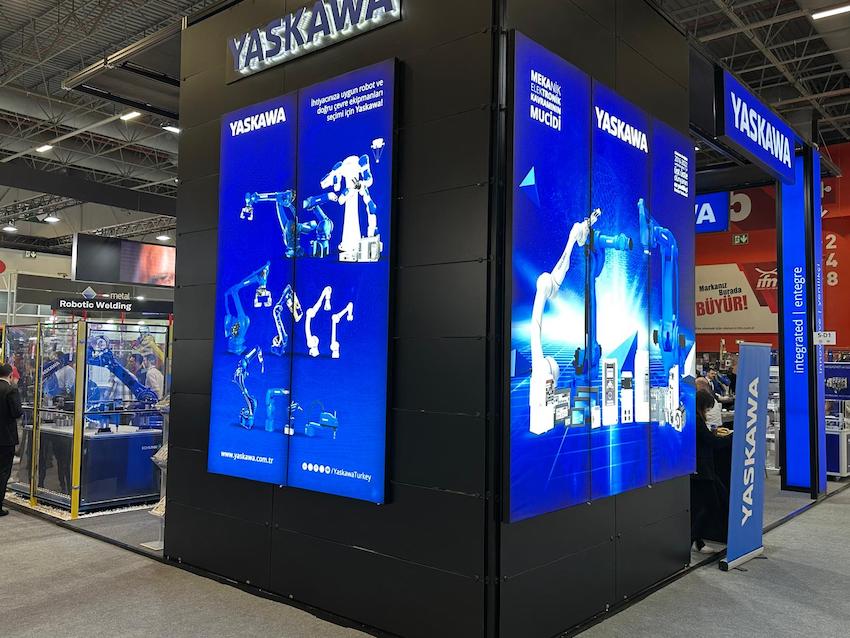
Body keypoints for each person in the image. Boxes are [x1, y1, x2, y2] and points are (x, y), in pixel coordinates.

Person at [691, 389, 732, 553]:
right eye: (707, 408)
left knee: (704, 505)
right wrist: (730, 438)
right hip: (702, 470)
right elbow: (711, 442)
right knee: (710, 504)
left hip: (701, 469)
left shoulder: (694, 418)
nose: (708, 411)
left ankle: (696, 541)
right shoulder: (697, 420)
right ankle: (693, 538)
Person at [0, 363, 23, 517]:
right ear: (10, 375)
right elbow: (16, 412)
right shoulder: (11, 390)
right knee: (3, 472)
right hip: (6, 438)